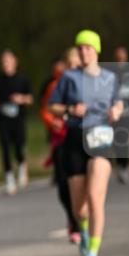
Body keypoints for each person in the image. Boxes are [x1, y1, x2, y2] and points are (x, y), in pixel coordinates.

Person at [48, 30, 124, 256]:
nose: (83, 52)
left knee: (95, 198)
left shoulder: (110, 78)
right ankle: (81, 230)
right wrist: (71, 108)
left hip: (101, 138)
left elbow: (118, 102)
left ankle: (93, 254)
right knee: (79, 208)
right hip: (75, 139)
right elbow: (53, 107)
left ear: (97, 50)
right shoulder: (69, 77)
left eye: (88, 47)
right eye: (80, 48)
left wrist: (116, 111)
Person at [40, 48, 82, 244]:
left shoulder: (89, 85)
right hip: (62, 139)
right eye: (70, 65)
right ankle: (73, 220)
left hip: (84, 139)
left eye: (77, 64)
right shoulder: (57, 85)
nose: (74, 68)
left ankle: (82, 219)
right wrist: (52, 121)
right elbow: (46, 109)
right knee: (64, 185)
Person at [0, 50, 34, 195]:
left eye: (8, 61)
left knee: (19, 146)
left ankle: (21, 166)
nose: (6, 64)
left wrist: (21, 99)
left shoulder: (22, 80)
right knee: (5, 149)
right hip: (2, 120)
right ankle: (9, 179)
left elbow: (30, 99)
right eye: (3, 62)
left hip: (18, 119)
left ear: (15, 62)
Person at [110, 46, 129, 183]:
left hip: (128, 110)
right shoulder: (111, 70)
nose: (120, 56)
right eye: (118, 54)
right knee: (116, 139)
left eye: (122, 54)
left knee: (124, 138)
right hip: (115, 110)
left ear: (126, 55)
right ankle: (120, 165)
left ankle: (123, 166)